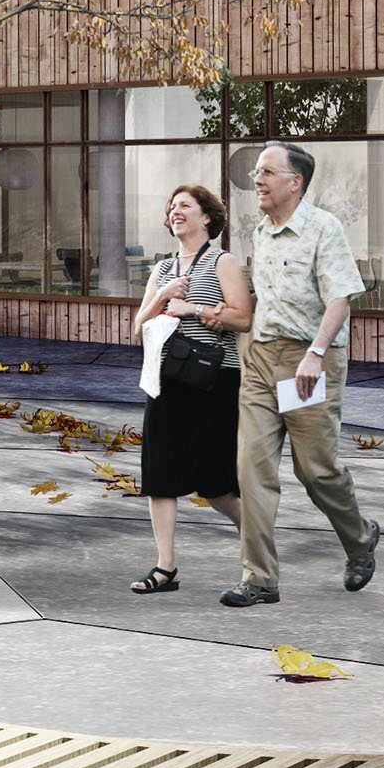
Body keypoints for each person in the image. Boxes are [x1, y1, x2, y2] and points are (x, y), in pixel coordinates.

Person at [222, 141, 382, 608]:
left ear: (296, 182)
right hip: (260, 361)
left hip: (305, 364)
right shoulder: (260, 232)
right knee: (251, 469)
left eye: (268, 172)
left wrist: (314, 353)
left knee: (314, 471)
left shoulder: (322, 229)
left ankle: (360, 538)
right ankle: (259, 580)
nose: (257, 179)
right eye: (256, 171)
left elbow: (340, 299)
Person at [127, 184, 251, 595]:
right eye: (172, 206)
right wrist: (163, 295)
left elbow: (242, 318)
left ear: (207, 218)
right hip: (166, 380)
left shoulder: (222, 261)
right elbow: (138, 328)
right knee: (159, 475)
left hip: (214, 381)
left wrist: (193, 308)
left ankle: (258, 547)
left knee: (216, 484)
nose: (175, 212)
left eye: (185, 206)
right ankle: (166, 569)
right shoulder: (162, 270)